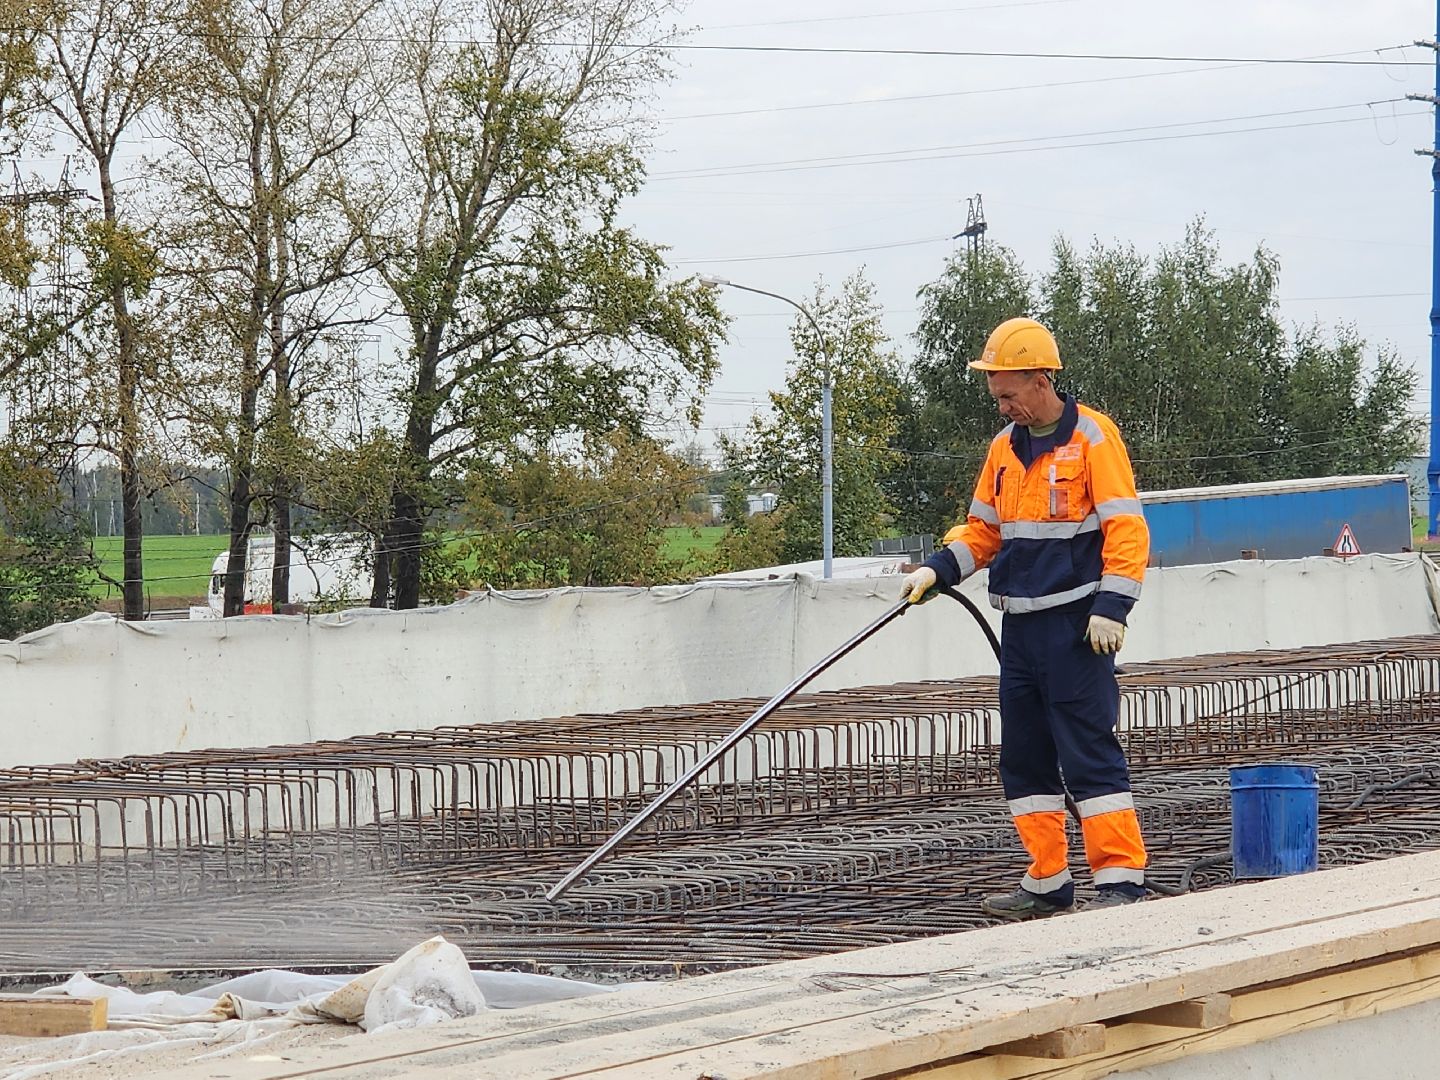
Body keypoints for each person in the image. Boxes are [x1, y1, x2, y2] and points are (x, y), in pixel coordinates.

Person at [901, 316, 1150, 919]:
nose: (1003, 406)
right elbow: (984, 532)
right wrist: (939, 569)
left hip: (1077, 628)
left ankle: (1120, 880)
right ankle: (1047, 881)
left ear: (1042, 381)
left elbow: (1126, 526)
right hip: (1021, 629)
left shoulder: (1092, 438)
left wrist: (1112, 607)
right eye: (997, 396)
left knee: (1087, 751)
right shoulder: (1003, 449)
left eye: (1009, 394)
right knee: (1025, 758)